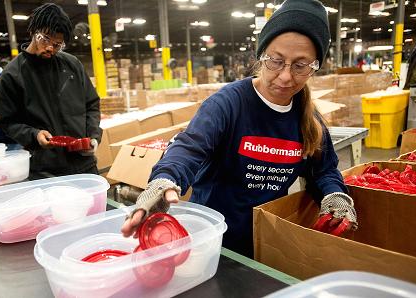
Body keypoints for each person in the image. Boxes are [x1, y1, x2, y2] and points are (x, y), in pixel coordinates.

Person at [121, 0, 358, 258]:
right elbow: (190, 148)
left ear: (315, 67)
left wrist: (335, 195)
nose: (286, 76)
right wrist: (164, 179)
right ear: (261, 55)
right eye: (276, 61)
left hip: (265, 241)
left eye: (301, 66)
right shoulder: (228, 104)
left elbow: (323, 170)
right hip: (214, 242)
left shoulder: (307, 118)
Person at [0, 3, 101, 175]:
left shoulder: (72, 65)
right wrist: (34, 134)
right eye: (45, 39)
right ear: (33, 31)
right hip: (46, 169)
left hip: (84, 164)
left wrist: (93, 136)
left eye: (57, 44)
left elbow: (91, 104)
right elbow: (8, 122)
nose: (49, 48)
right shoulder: (13, 74)